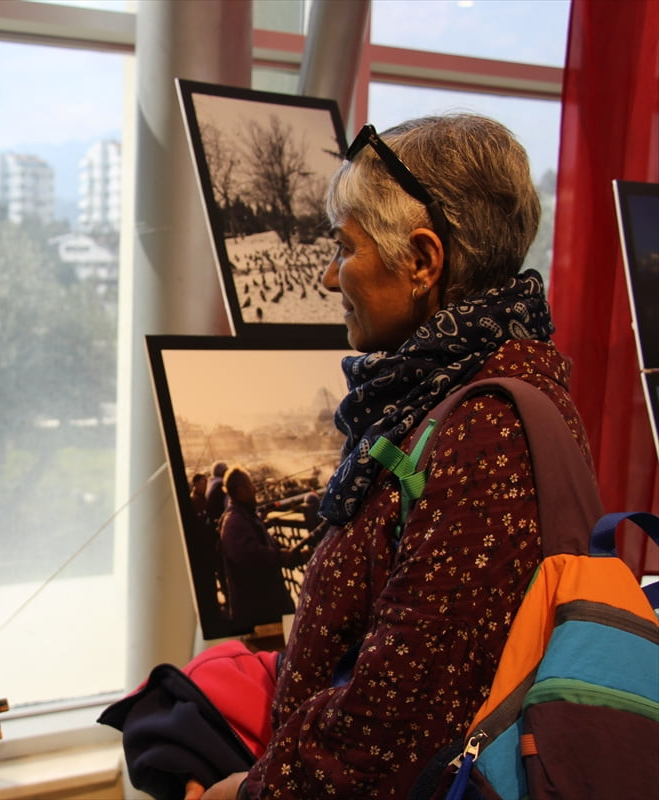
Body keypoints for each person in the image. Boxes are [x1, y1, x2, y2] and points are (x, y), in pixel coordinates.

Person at [189, 114, 593, 799]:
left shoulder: (482, 435)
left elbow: (400, 726)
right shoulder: (460, 399)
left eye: (344, 248)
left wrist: (247, 794)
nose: (326, 276)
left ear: (423, 261)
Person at [217, 466, 306, 624]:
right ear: (240, 491)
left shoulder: (244, 515)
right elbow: (251, 556)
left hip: (266, 604)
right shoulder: (234, 521)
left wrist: (292, 555)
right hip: (259, 609)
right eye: (250, 485)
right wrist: (284, 557)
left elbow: (266, 542)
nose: (255, 489)